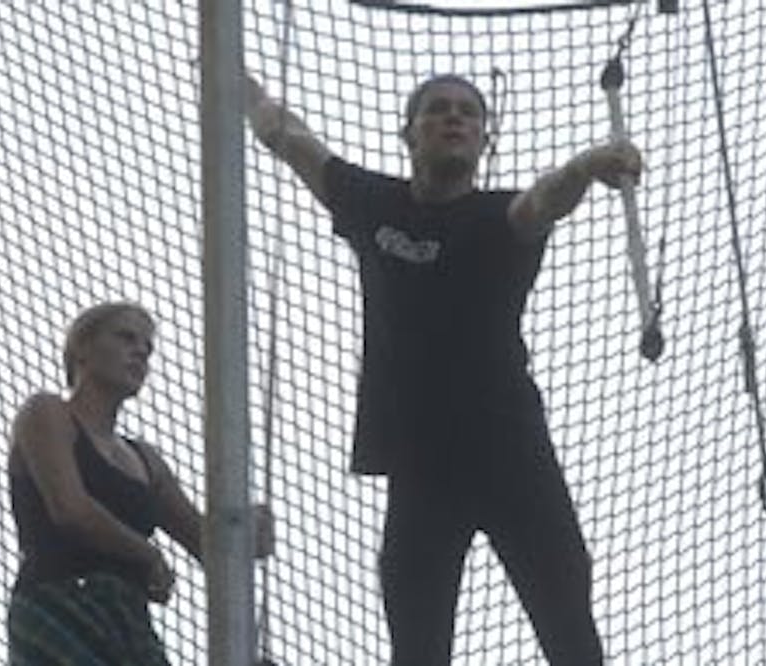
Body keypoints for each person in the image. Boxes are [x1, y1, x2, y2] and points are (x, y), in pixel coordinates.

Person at [246, 72, 640, 665]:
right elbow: (290, 136)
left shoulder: (497, 218)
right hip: (423, 462)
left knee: (568, 624)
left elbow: (543, 200)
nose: (452, 119)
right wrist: (235, 81)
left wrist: (586, 166)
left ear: (485, 139)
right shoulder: (372, 202)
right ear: (409, 132)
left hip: (511, 452)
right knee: (418, 639)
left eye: (466, 113)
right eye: (436, 110)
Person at [6, 302, 275, 666]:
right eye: (125, 338)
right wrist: (146, 553)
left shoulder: (145, 460)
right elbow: (71, 509)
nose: (139, 353)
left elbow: (204, 542)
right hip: (61, 596)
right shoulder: (48, 413)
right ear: (81, 348)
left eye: (147, 349)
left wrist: (244, 534)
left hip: (126, 613)